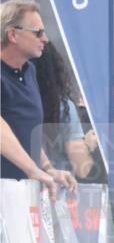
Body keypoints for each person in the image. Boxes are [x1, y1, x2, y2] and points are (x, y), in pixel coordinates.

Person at [1, 0, 76, 198]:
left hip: (20, 193)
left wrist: (47, 168)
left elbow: (27, 130)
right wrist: (33, 170)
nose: (45, 39)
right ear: (13, 35)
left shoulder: (29, 71)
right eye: (38, 32)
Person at [33, 42, 93, 179]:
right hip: (56, 190)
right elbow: (82, 168)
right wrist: (88, 146)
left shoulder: (17, 103)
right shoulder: (63, 108)